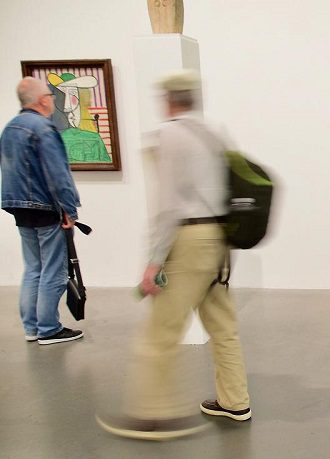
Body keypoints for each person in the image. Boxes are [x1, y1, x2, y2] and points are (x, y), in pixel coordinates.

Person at [97, 70, 251, 441]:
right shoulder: (212, 133)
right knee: (223, 326)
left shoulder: (169, 136)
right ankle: (235, 401)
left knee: (160, 331)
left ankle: (155, 416)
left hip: (189, 239)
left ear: (168, 100)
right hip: (219, 239)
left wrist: (154, 260)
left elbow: (167, 206)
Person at [0, 77, 83, 345]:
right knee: (54, 270)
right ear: (42, 100)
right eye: (49, 95)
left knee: (33, 268)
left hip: (19, 208)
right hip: (45, 207)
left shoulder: (10, 127)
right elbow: (58, 175)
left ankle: (32, 327)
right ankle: (49, 328)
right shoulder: (44, 129)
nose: (52, 99)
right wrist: (69, 209)